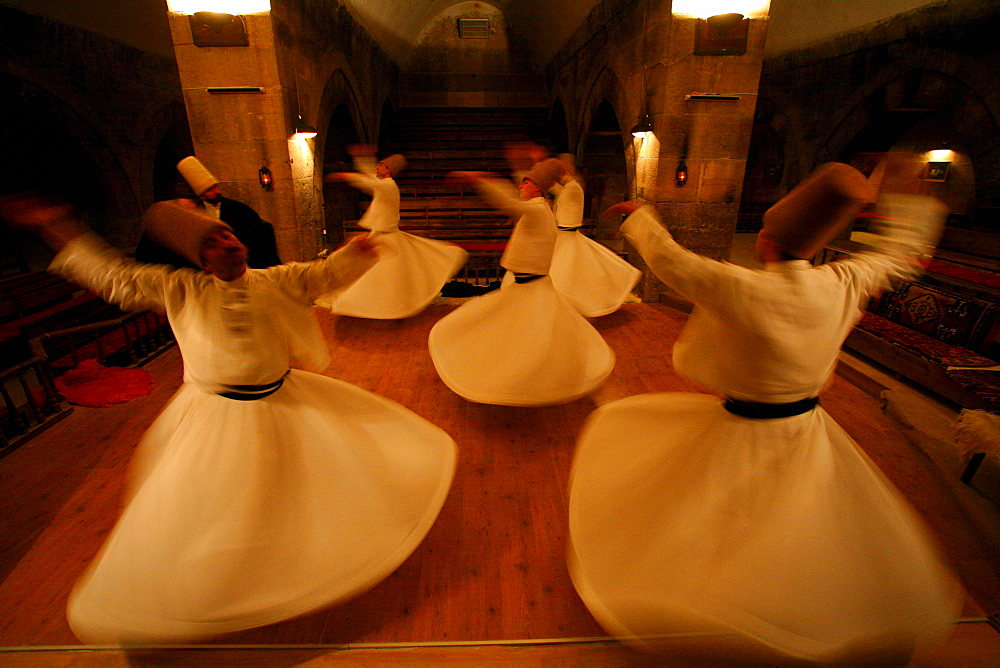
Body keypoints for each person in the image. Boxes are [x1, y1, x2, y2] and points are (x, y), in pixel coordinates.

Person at [0, 194, 457, 644]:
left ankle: (293, 556)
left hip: (282, 402)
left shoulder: (276, 279)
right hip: (217, 415)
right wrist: (56, 228)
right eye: (216, 241)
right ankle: (209, 583)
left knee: (298, 484)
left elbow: (323, 275)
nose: (229, 243)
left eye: (230, 235)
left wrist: (359, 252)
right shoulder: (180, 288)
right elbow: (115, 277)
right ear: (202, 259)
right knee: (217, 502)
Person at [567, 163, 961, 664]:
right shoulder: (841, 282)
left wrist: (643, 215)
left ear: (768, 242)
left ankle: (726, 604)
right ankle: (800, 606)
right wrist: (917, 206)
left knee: (717, 513)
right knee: (804, 524)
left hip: (744, 429)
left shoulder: (749, 289)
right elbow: (898, 257)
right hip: (809, 431)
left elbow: (674, 263)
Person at [428, 159, 614, 406]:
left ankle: (522, 379)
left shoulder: (537, 209)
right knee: (514, 332)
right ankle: (516, 374)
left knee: (528, 337)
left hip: (532, 288)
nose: (521, 185)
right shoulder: (539, 208)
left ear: (537, 188)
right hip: (524, 285)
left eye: (526, 182)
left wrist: (482, 179)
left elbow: (508, 203)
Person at [317, 146, 467, 319]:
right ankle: (373, 306)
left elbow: (369, 182)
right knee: (377, 277)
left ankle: (385, 308)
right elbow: (371, 178)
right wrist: (363, 158)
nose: (377, 168)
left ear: (388, 170)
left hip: (386, 237)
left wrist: (345, 175)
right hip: (381, 235)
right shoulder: (384, 185)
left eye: (380, 165)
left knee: (383, 277)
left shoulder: (388, 186)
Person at [134, 156, 282, 269]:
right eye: (210, 189)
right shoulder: (193, 214)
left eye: (215, 186)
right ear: (201, 194)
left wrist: (246, 246)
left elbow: (262, 230)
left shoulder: (236, 208)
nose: (216, 191)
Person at [546, 153, 640, 317]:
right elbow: (554, 189)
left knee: (565, 270)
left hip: (567, 236)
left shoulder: (573, 186)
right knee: (563, 270)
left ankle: (564, 304)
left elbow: (558, 190)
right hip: (561, 236)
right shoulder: (567, 187)